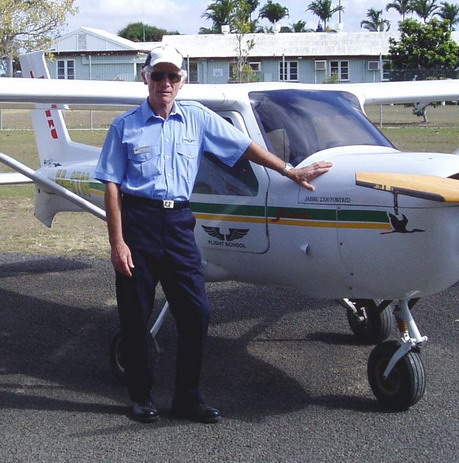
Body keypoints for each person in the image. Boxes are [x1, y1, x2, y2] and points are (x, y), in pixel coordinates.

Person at [95, 44, 332, 424]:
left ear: (183, 81)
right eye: (158, 75)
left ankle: (187, 398)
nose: (165, 83)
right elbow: (110, 185)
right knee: (135, 317)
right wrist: (117, 242)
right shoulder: (125, 126)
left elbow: (245, 147)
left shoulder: (198, 119)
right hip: (138, 223)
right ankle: (141, 397)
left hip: (178, 225)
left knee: (197, 313)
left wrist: (289, 170)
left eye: (173, 76)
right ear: (146, 78)